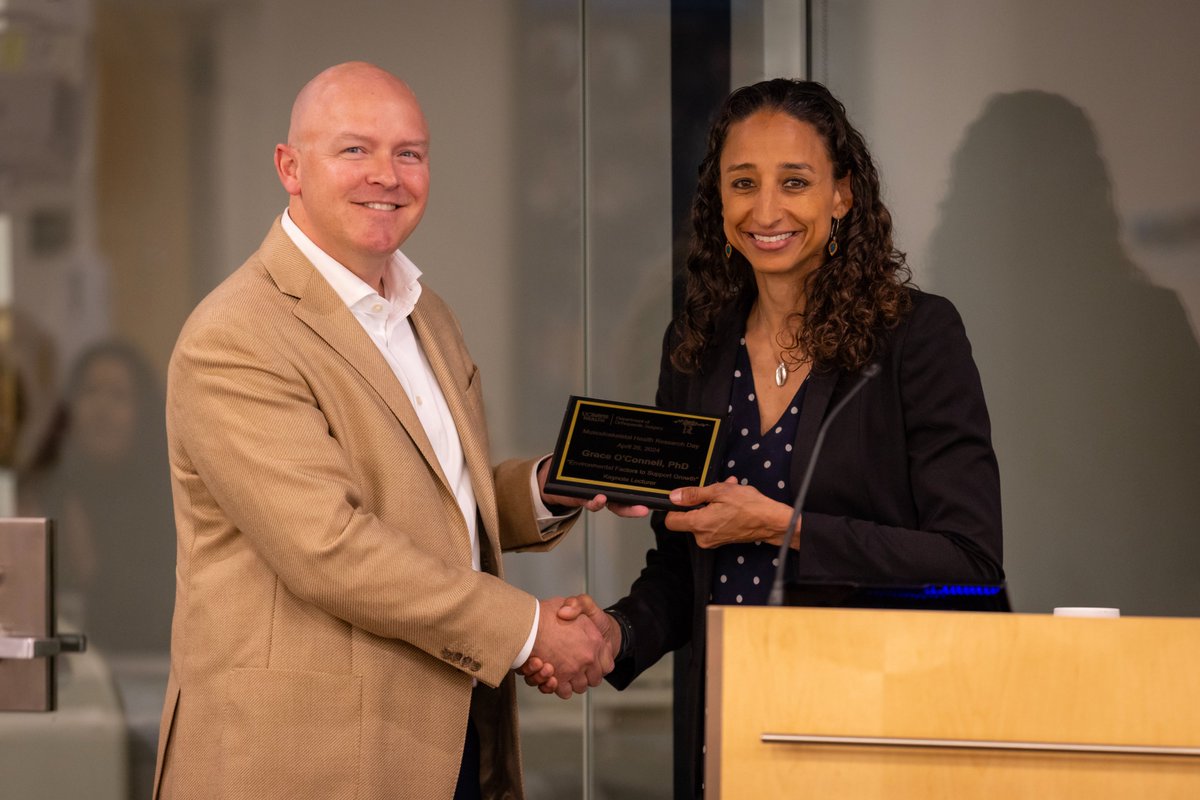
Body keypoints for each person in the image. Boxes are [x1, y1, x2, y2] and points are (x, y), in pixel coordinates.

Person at [152, 61, 641, 800]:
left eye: (409, 153)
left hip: (444, 738)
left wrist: (550, 487)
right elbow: (332, 549)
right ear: (290, 167)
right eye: (355, 150)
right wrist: (533, 631)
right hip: (301, 763)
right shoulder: (236, 336)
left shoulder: (424, 311)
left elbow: (434, 502)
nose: (388, 175)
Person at [523, 78, 1004, 798]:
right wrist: (613, 636)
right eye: (743, 182)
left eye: (796, 182)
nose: (767, 209)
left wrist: (789, 528)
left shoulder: (915, 338)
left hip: (877, 732)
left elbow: (970, 564)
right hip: (730, 736)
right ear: (718, 201)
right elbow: (684, 565)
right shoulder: (695, 345)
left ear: (842, 194)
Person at [20, 340, 175, 653]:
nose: (101, 409)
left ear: (142, 412)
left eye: (119, 396)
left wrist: (91, 569)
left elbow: (162, 614)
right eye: (90, 391)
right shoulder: (46, 488)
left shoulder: (166, 499)